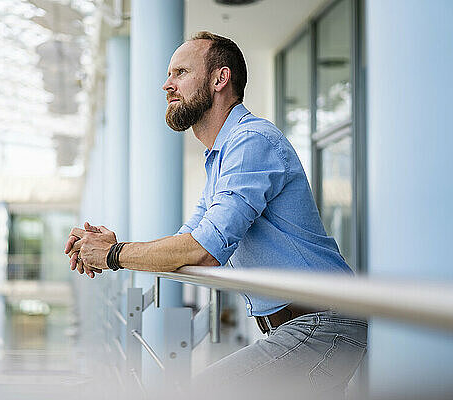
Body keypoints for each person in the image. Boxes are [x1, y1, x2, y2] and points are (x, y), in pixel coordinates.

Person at [64, 31, 367, 397]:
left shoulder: (251, 141)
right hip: (300, 325)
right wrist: (111, 246)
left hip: (322, 324)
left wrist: (114, 255)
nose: (166, 84)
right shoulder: (221, 158)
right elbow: (185, 245)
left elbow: (203, 251)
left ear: (219, 79)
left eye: (180, 73)